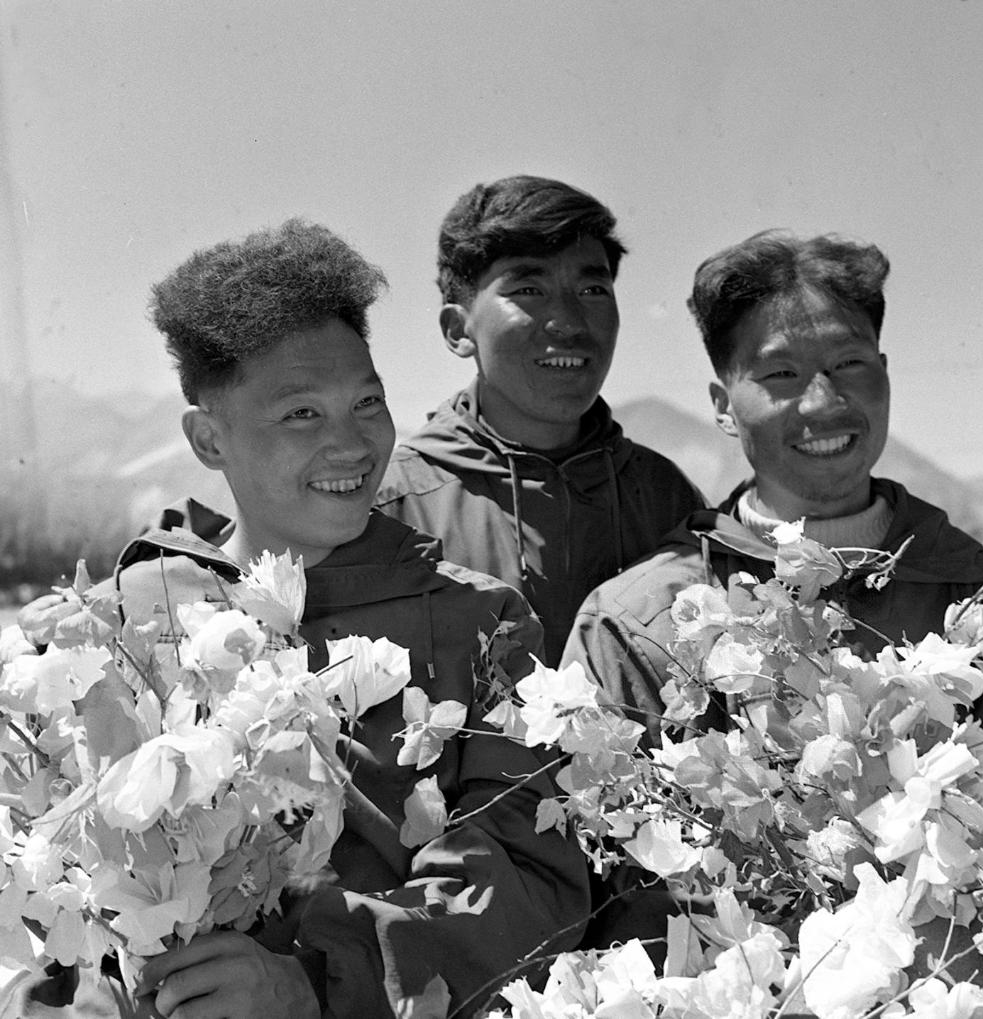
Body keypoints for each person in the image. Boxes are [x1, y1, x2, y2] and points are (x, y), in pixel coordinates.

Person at [18, 219, 590, 1019]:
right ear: (208, 438)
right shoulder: (128, 614)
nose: (351, 444)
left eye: (367, 403)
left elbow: (529, 876)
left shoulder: (481, 621)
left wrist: (313, 982)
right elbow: (55, 870)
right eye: (301, 415)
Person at [563, 229, 983, 751]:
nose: (823, 402)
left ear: (885, 373)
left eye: (849, 364)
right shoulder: (641, 623)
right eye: (782, 373)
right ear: (723, 406)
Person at [373, 175, 704, 662]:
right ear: (458, 329)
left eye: (592, 289)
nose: (568, 322)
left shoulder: (664, 497)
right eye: (529, 289)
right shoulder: (392, 508)